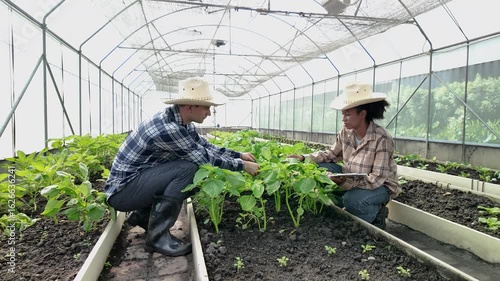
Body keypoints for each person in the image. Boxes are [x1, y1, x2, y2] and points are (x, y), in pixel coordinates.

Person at [104, 77, 260, 257]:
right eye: (207, 107)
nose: (209, 113)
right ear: (190, 107)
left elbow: (206, 146)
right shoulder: (169, 129)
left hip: (135, 184)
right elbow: (205, 159)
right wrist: (242, 166)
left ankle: (142, 216)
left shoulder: (181, 122)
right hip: (122, 194)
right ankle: (157, 238)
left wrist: (239, 155)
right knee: (188, 170)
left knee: (186, 168)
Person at [288, 82, 401, 229]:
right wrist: (304, 158)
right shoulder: (345, 132)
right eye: (343, 114)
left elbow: (376, 179)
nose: (343, 119)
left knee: (353, 201)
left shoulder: (382, 139)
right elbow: (331, 154)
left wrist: (343, 183)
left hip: (380, 187)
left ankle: (376, 214)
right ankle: (349, 204)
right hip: (352, 177)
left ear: (362, 114)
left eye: (348, 114)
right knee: (319, 169)